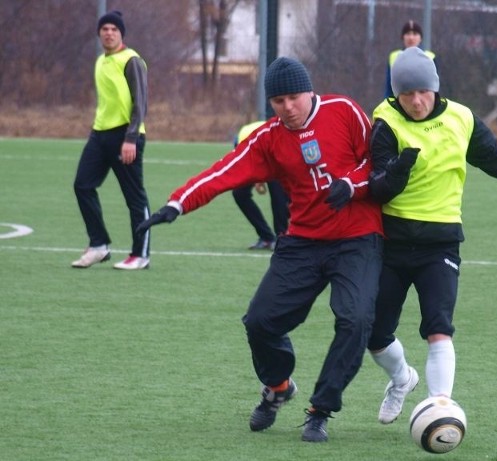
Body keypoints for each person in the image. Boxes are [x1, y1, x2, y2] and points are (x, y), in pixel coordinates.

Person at [136, 57, 383, 442]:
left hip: (357, 238)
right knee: (259, 323)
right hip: (301, 242)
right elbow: (223, 171)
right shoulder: (268, 138)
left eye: (294, 97)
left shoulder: (344, 111)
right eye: (278, 100)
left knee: (355, 320)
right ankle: (278, 387)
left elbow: (379, 161)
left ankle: (320, 409)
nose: (287, 107)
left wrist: (350, 184)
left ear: (310, 91)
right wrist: (177, 204)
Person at [367, 47, 497, 424]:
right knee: (374, 333)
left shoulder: (461, 118)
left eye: (423, 91)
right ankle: (402, 380)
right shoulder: (385, 120)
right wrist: (398, 172)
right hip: (392, 242)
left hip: (440, 244)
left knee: (438, 329)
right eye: (407, 94)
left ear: (435, 88)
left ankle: (440, 411)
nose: (417, 101)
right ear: (396, 93)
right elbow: (377, 188)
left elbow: (496, 159)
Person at [71, 10, 151, 270]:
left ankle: (140, 254)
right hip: (100, 135)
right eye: (104, 29)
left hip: (126, 135)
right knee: (82, 185)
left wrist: (130, 138)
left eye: (113, 29)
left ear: (121, 33)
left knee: (134, 197)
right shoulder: (100, 61)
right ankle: (98, 245)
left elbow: (140, 103)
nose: (108, 33)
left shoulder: (132, 60)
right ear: (99, 33)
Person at [232, 121, 290, 250]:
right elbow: (252, 162)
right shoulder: (243, 141)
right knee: (239, 193)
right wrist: (259, 178)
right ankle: (266, 237)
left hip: (281, 155)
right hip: (269, 154)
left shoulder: (246, 140)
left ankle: (282, 238)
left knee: (279, 197)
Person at [383, 20, 437, 99]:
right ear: (403, 37)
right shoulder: (394, 57)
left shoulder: (430, 57)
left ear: (420, 38)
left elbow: (433, 87)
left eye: (415, 34)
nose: (411, 38)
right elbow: (389, 87)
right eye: (408, 34)